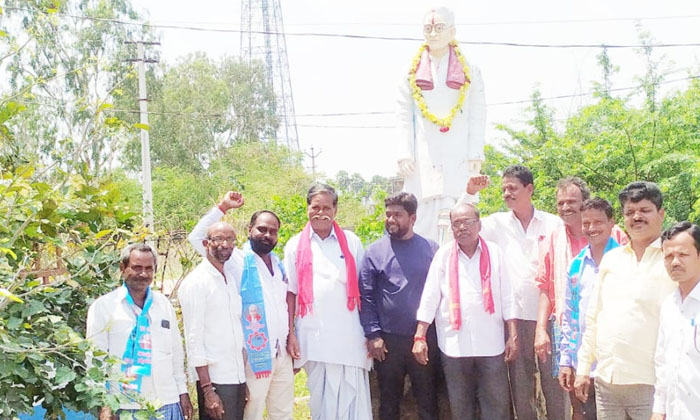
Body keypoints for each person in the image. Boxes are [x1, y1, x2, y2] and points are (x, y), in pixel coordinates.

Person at [463, 166, 563, 420]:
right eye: (504, 188)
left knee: (555, 385)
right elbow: (463, 227)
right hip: (514, 319)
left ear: (529, 189)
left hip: (550, 318)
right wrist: (470, 194)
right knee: (521, 388)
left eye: (513, 188)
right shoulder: (496, 224)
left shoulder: (553, 223)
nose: (507, 193)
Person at [186, 192, 294, 420]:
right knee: (251, 414)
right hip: (255, 355)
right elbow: (197, 238)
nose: (267, 235)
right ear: (249, 230)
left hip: (281, 353)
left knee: (283, 413)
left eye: (272, 231)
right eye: (262, 229)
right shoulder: (237, 259)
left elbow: (285, 305)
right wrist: (223, 207)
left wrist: (292, 337)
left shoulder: (279, 264)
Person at [574, 181, 676, 420]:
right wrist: (583, 368)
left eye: (645, 210)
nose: (637, 217)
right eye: (630, 212)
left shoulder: (673, 259)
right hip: (607, 381)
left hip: (652, 383)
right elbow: (594, 317)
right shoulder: (612, 260)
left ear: (660, 214)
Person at [413, 203, 518, 420]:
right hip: (454, 346)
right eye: (456, 224)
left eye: (467, 222)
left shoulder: (495, 253)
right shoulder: (443, 255)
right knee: (460, 407)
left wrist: (513, 335)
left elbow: (508, 296)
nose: (462, 228)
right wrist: (419, 336)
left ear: (479, 224)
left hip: (491, 344)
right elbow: (430, 296)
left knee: (496, 405)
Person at [534, 178, 627, 419]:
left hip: (614, 334)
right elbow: (545, 285)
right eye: (561, 202)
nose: (566, 207)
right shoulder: (554, 238)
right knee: (578, 400)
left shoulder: (617, 238)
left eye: (572, 201)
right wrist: (541, 329)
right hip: (571, 329)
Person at [397, 5, 486, 243]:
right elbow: (403, 115)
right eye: (428, 28)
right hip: (423, 155)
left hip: (458, 153)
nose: (433, 33)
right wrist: (405, 153)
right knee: (423, 219)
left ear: (452, 32)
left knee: (458, 211)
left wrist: (476, 152)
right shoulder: (411, 72)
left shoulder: (470, 71)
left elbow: (478, 114)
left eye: (439, 28)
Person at [284, 184, 372, 420]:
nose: (320, 212)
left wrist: (371, 332)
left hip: (350, 335)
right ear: (307, 209)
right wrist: (290, 332)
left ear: (335, 210)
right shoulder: (294, 246)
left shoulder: (351, 242)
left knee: (354, 402)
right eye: (315, 207)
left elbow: (364, 288)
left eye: (326, 207)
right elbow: (290, 293)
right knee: (322, 403)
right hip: (315, 338)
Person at [87, 243, 193, 420]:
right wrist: (104, 403)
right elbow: (95, 359)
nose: (143, 274)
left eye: (148, 269)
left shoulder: (164, 305)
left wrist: (182, 393)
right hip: (124, 404)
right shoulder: (104, 307)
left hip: (166, 401)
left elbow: (176, 353)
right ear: (123, 268)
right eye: (136, 268)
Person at [359, 192, 439, 420]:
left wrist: (425, 336)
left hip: (423, 338)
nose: (391, 219)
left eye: (397, 215)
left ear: (413, 218)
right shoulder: (374, 252)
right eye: (388, 214)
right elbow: (366, 296)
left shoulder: (431, 249)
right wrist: (373, 334)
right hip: (388, 342)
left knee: (427, 399)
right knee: (388, 402)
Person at [179, 198, 247, 420]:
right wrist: (208, 390)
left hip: (235, 377)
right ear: (206, 243)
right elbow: (194, 339)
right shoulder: (197, 282)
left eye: (230, 239)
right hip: (215, 381)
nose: (225, 244)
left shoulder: (228, 280)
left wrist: (242, 380)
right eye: (218, 239)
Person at [557, 198, 624, 420]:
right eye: (586, 223)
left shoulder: (626, 259)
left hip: (617, 363)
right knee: (583, 415)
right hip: (583, 363)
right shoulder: (577, 265)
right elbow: (569, 316)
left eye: (598, 222)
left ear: (612, 222)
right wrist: (566, 361)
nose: (592, 228)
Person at [651, 221, 700, 420]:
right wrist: (658, 410)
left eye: (683, 255)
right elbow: (663, 364)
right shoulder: (668, 307)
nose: (675, 262)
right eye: (668, 256)